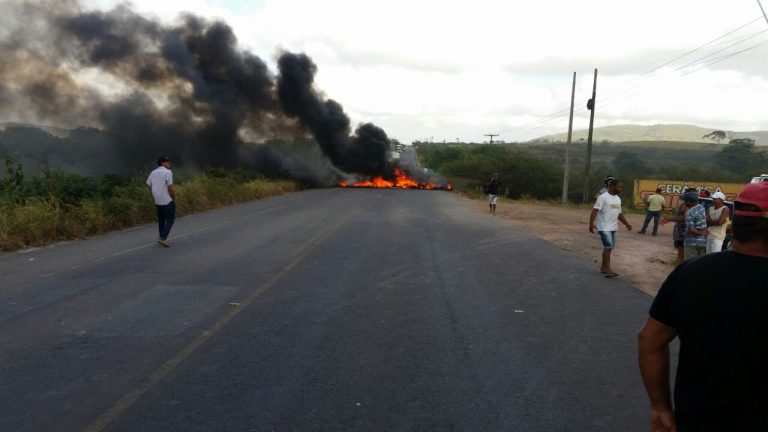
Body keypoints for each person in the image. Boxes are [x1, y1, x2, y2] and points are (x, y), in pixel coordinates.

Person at [638, 182, 768, 432]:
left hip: (698, 419)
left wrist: (660, 407)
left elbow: (649, 339)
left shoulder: (691, 273)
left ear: (736, 223)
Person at [589, 178, 632, 278]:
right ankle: (608, 269)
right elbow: (595, 210)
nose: (620, 189)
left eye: (621, 187)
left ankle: (603, 268)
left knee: (609, 248)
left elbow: (619, 213)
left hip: (614, 227)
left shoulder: (618, 199)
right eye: (619, 187)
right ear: (612, 186)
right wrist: (591, 223)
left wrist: (627, 224)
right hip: (604, 227)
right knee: (608, 247)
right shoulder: (603, 197)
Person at [147, 156, 176, 247]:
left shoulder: (153, 172)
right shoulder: (168, 172)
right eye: (167, 161)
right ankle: (163, 238)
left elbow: (148, 184)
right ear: (162, 163)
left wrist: (154, 193)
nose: (168, 163)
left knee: (161, 219)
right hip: (167, 199)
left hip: (157, 200)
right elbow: (170, 187)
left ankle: (161, 237)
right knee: (170, 219)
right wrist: (173, 196)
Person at [683, 191, 707, 259]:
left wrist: (700, 233)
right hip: (702, 242)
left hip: (691, 243)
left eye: (685, 200)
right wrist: (703, 233)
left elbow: (691, 229)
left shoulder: (689, 213)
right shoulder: (701, 207)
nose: (684, 202)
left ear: (690, 201)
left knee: (689, 264)